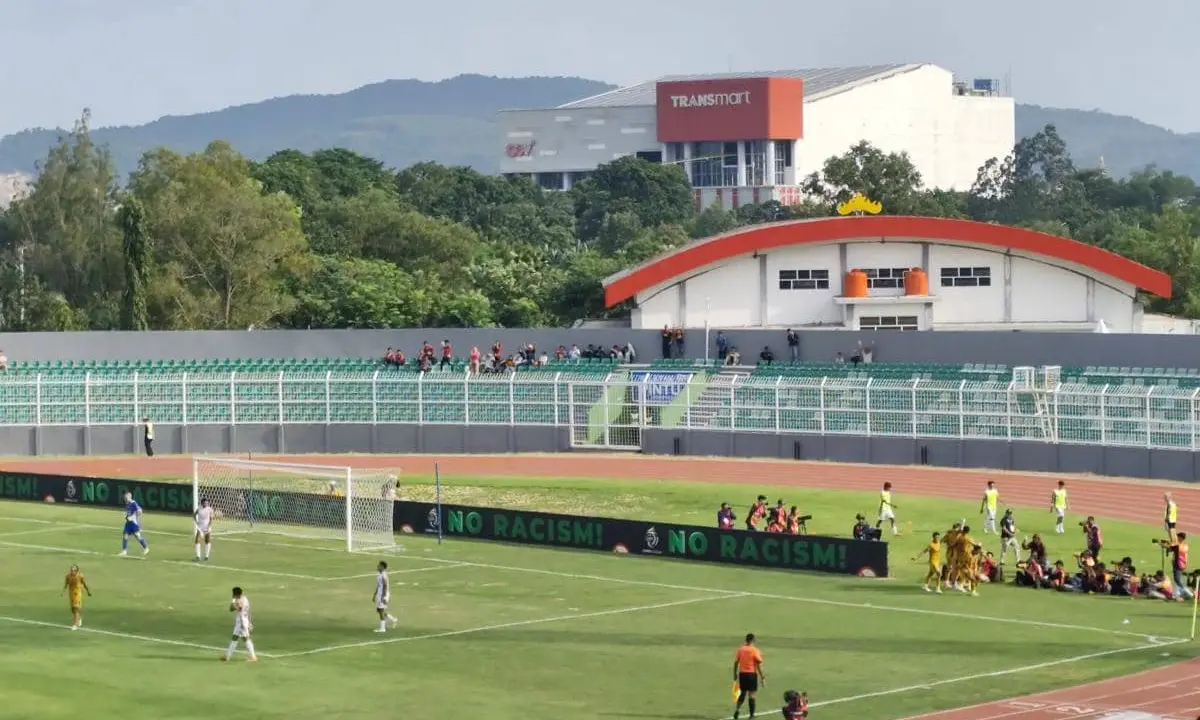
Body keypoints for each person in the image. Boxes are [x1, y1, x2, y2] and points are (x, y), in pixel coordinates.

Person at [732, 633, 764, 720]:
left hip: (742, 674)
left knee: (742, 693)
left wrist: (734, 674)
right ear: (753, 640)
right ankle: (751, 715)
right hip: (751, 674)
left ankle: (737, 710)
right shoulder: (755, 650)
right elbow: (758, 665)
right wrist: (762, 677)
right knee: (752, 695)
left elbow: (736, 663)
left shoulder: (740, 649)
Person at [223, 586, 258, 662]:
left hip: (241, 623)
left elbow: (231, 609)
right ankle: (227, 657)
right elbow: (248, 612)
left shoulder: (239, 601)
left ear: (235, 594)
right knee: (235, 638)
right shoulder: (245, 599)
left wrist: (233, 601)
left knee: (245, 639)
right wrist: (249, 622)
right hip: (243, 622)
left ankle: (253, 657)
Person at [61, 564, 91, 630]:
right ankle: (79, 618)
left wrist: (88, 591)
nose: (72, 571)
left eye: (74, 570)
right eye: (71, 570)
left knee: (76, 607)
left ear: (77, 571)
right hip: (71, 593)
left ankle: (75, 624)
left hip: (77, 593)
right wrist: (63, 592)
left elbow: (84, 584)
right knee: (73, 609)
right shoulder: (68, 576)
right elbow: (66, 584)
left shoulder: (80, 576)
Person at [119, 492, 149, 556]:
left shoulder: (133, 503)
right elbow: (128, 513)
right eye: (124, 497)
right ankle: (124, 551)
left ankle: (146, 547)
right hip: (128, 523)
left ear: (129, 497)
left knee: (137, 536)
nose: (125, 498)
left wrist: (133, 517)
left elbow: (140, 511)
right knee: (125, 535)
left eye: (126, 497)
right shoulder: (127, 504)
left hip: (134, 523)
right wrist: (126, 516)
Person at [373, 561, 399, 633]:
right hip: (379, 594)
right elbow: (378, 585)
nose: (377, 566)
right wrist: (375, 594)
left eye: (379, 566)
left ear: (382, 567)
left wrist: (383, 597)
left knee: (381, 611)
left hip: (383, 595)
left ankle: (382, 629)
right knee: (379, 610)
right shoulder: (378, 574)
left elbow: (385, 586)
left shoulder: (384, 576)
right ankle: (393, 619)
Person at [194, 497, 214, 562]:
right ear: (202, 503)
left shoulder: (210, 509)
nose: (206, 504)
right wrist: (196, 522)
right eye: (205, 503)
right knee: (197, 540)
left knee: (207, 541)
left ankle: (206, 556)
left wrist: (209, 526)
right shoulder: (199, 509)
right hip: (200, 527)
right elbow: (194, 514)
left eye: (207, 503)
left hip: (207, 527)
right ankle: (198, 556)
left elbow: (211, 519)